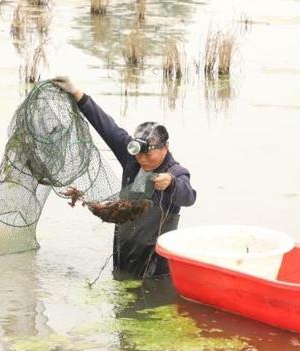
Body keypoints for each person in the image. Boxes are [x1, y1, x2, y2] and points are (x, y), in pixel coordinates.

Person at [53, 76, 197, 280]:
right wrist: (77, 93)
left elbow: (189, 197)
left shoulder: (176, 172)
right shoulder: (133, 161)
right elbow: (105, 125)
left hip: (154, 265)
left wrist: (171, 184)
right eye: (139, 153)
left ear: (166, 147)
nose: (143, 159)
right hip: (122, 255)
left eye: (149, 154)